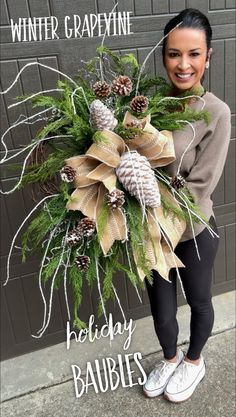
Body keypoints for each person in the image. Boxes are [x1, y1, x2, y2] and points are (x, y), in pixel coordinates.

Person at [143, 8, 231, 403]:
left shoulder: (215, 112)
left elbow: (199, 187)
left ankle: (194, 361)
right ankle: (170, 356)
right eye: (174, 54)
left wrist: (160, 218)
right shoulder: (149, 104)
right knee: (162, 313)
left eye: (193, 54)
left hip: (191, 231)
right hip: (149, 231)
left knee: (198, 303)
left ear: (208, 56)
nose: (183, 65)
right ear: (163, 56)